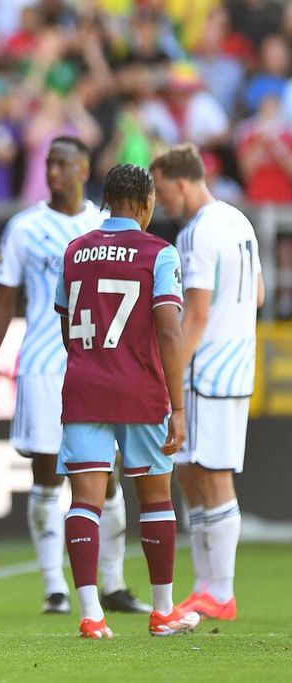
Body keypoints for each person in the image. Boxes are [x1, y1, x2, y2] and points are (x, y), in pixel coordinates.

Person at [0, 137, 148, 615]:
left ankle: (112, 584)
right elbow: (4, 302)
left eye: (62, 163)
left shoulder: (104, 225)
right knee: (47, 475)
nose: (53, 171)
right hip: (42, 364)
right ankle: (55, 585)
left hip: (99, 366)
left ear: (84, 168)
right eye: (48, 163)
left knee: (106, 476)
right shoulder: (25, 227)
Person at [55, 163, 199, 639]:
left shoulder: (74, 252)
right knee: (155, 494)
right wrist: (177, 406)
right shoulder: (160, 253)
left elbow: (66, 324)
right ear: (144, 202)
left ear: (105, 201)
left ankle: (91, 615)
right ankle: (163, 612)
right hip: (140, 387)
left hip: (84, 386)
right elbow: (168, 327)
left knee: (86, 501)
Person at [150, 144, 264, 622]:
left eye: (160, 190)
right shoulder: (238, 219)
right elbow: (256, 294)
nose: (159, 202)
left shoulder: (196, 233)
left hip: (205, 373)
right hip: (236, 364)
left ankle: (219, 591)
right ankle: (207, 587)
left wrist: (169, 375)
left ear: (180, 182)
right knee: (195, 473)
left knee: (209, 477)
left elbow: (193, 317)